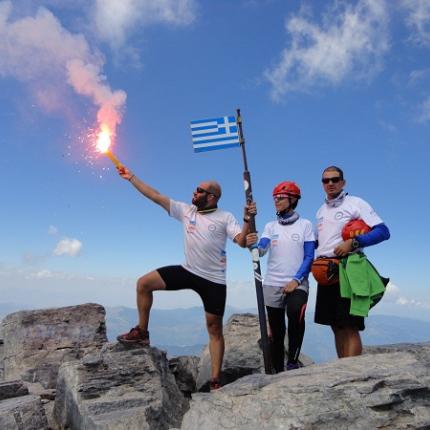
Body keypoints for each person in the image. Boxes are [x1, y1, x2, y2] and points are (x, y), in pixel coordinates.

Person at [115, 165, 253, 390]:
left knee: (214, 328)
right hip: (188, 270)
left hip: (213, 280)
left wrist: (247, 220)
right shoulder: (186, 211)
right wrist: (131, 177)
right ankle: (142, 332)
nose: (193, 193)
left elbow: (241, 241)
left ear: (211, 196)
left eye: (198, 190)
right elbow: (155, 196)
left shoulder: (225, 216)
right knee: (143, 284)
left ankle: (216, 379)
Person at [314, 166, 390, 358]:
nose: (330, 183)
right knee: (335, 324)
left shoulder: (356, 203)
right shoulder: (321, 211)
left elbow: (383, 231)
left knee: (350, 325)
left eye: (335, 179)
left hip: (348, 269)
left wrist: (354, 242)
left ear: (343, 182)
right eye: (326, 180)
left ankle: (353, 376)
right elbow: (319, 241)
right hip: (326, 271)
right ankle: (342, 371)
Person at [246, 181, 315, 372]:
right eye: (275, 198)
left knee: (295, 314)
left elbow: (309, 256)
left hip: (298, 283)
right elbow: (261, 250)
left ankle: (292, 361)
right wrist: (251, 245)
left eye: (281, 197)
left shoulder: (305, 225)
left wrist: (296, 280)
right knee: (276, 332)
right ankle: (277, 369)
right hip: (272, 284)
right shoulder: (270, 226)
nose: (276, 201)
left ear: (293, 200)